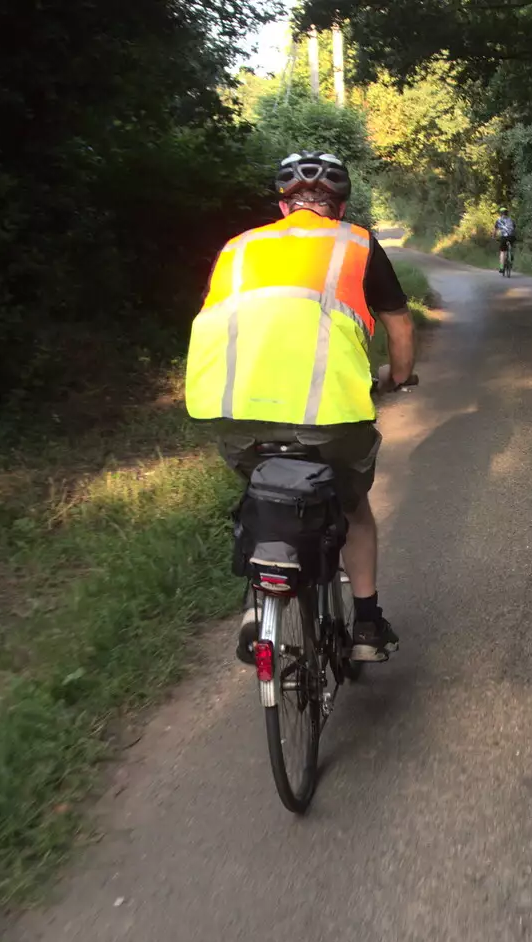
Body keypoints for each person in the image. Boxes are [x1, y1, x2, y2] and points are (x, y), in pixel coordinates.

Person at [185, 151, 416, 664]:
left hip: (230, 406)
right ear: (339, 202)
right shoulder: (355, 242)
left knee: (263, 492)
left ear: (283, 203)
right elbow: (398, 324)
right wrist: (398, 378)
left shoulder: (239, 246)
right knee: (354, 511)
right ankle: (368, 626)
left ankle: (255, 610)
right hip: (328, 412)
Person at [494, 208, 516, 273]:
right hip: (511, 237)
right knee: (511, 244)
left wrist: (494, 236)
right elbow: (514, 228)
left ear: (500, 213)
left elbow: (495, 230)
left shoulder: (498, 220)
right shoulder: (511, 220)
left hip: (503, 237)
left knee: (502, 252)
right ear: (507, 213)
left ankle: (501, 267)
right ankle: (511, 253)